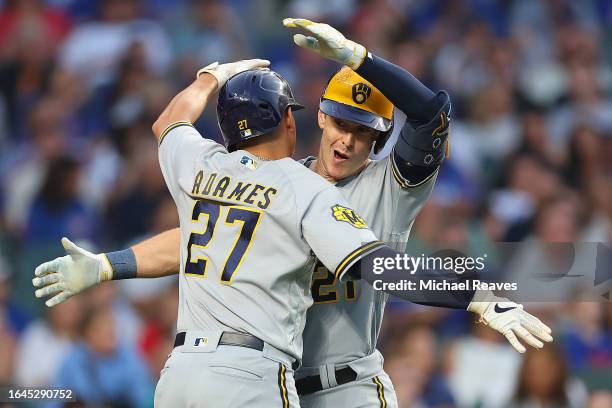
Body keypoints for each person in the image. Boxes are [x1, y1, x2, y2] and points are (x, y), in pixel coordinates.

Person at [33, 19, 552, 407]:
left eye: (365, 132)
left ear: (379, 139)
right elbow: (196, 241)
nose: (347, 141)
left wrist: (357, 56)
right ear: (318, 115)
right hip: (271, 383)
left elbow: (431, 114)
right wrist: (110, 265)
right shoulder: (291, 183)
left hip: (346, 385)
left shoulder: (390, 184)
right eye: (341, 123)